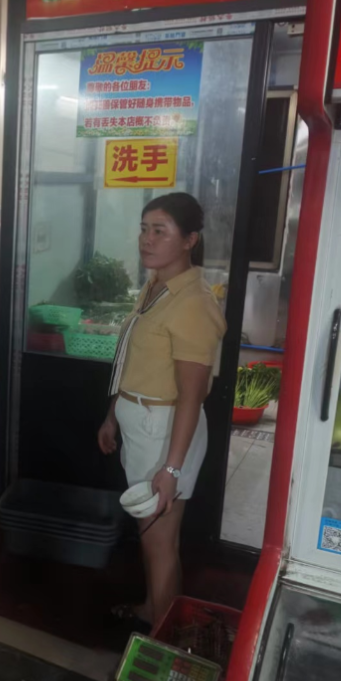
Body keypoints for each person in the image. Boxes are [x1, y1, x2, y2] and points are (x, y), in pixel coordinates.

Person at [98, 193, 226, 630]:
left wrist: (171, 469)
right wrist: (113, 414)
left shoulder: (193, 304)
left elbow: (191, 396)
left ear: (189, 240)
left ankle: (163, 638)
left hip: (167, 431)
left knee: (160, 540)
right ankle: (154, 610)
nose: (146, 239)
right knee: (149, 532)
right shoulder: (157, 287)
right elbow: (135, 360)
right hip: (142, 423)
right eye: (143, 229)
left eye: (160, 231)